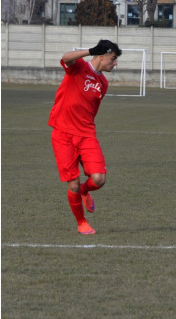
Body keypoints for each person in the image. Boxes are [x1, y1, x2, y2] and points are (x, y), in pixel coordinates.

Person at [48, 39, 122, 235]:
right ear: (101, 56)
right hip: (63, 134)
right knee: (72, 182)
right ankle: (81, 222)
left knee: (99, 179)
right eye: (113, 59)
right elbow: (65, 58)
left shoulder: (103, 83)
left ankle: (84, 191)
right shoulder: (79, 66)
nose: (115, 64)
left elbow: (90, 110)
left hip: (86, 134)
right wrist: (88, 51)